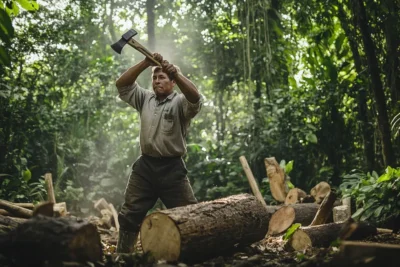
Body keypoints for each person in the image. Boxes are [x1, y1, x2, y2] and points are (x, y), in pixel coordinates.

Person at [115, 53, 202, 253]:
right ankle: (123, 255)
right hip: (145, 167)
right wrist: (146, 62)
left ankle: (195, 255)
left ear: (172, 82)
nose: (156, 81)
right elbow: (122, 85)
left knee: (189, 214)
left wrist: (178, 74)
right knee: (130, 213)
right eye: (154, 78)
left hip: (172, 168)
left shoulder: (180, 102)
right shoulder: (145, 98)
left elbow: (195, 98)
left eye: (161, 77)